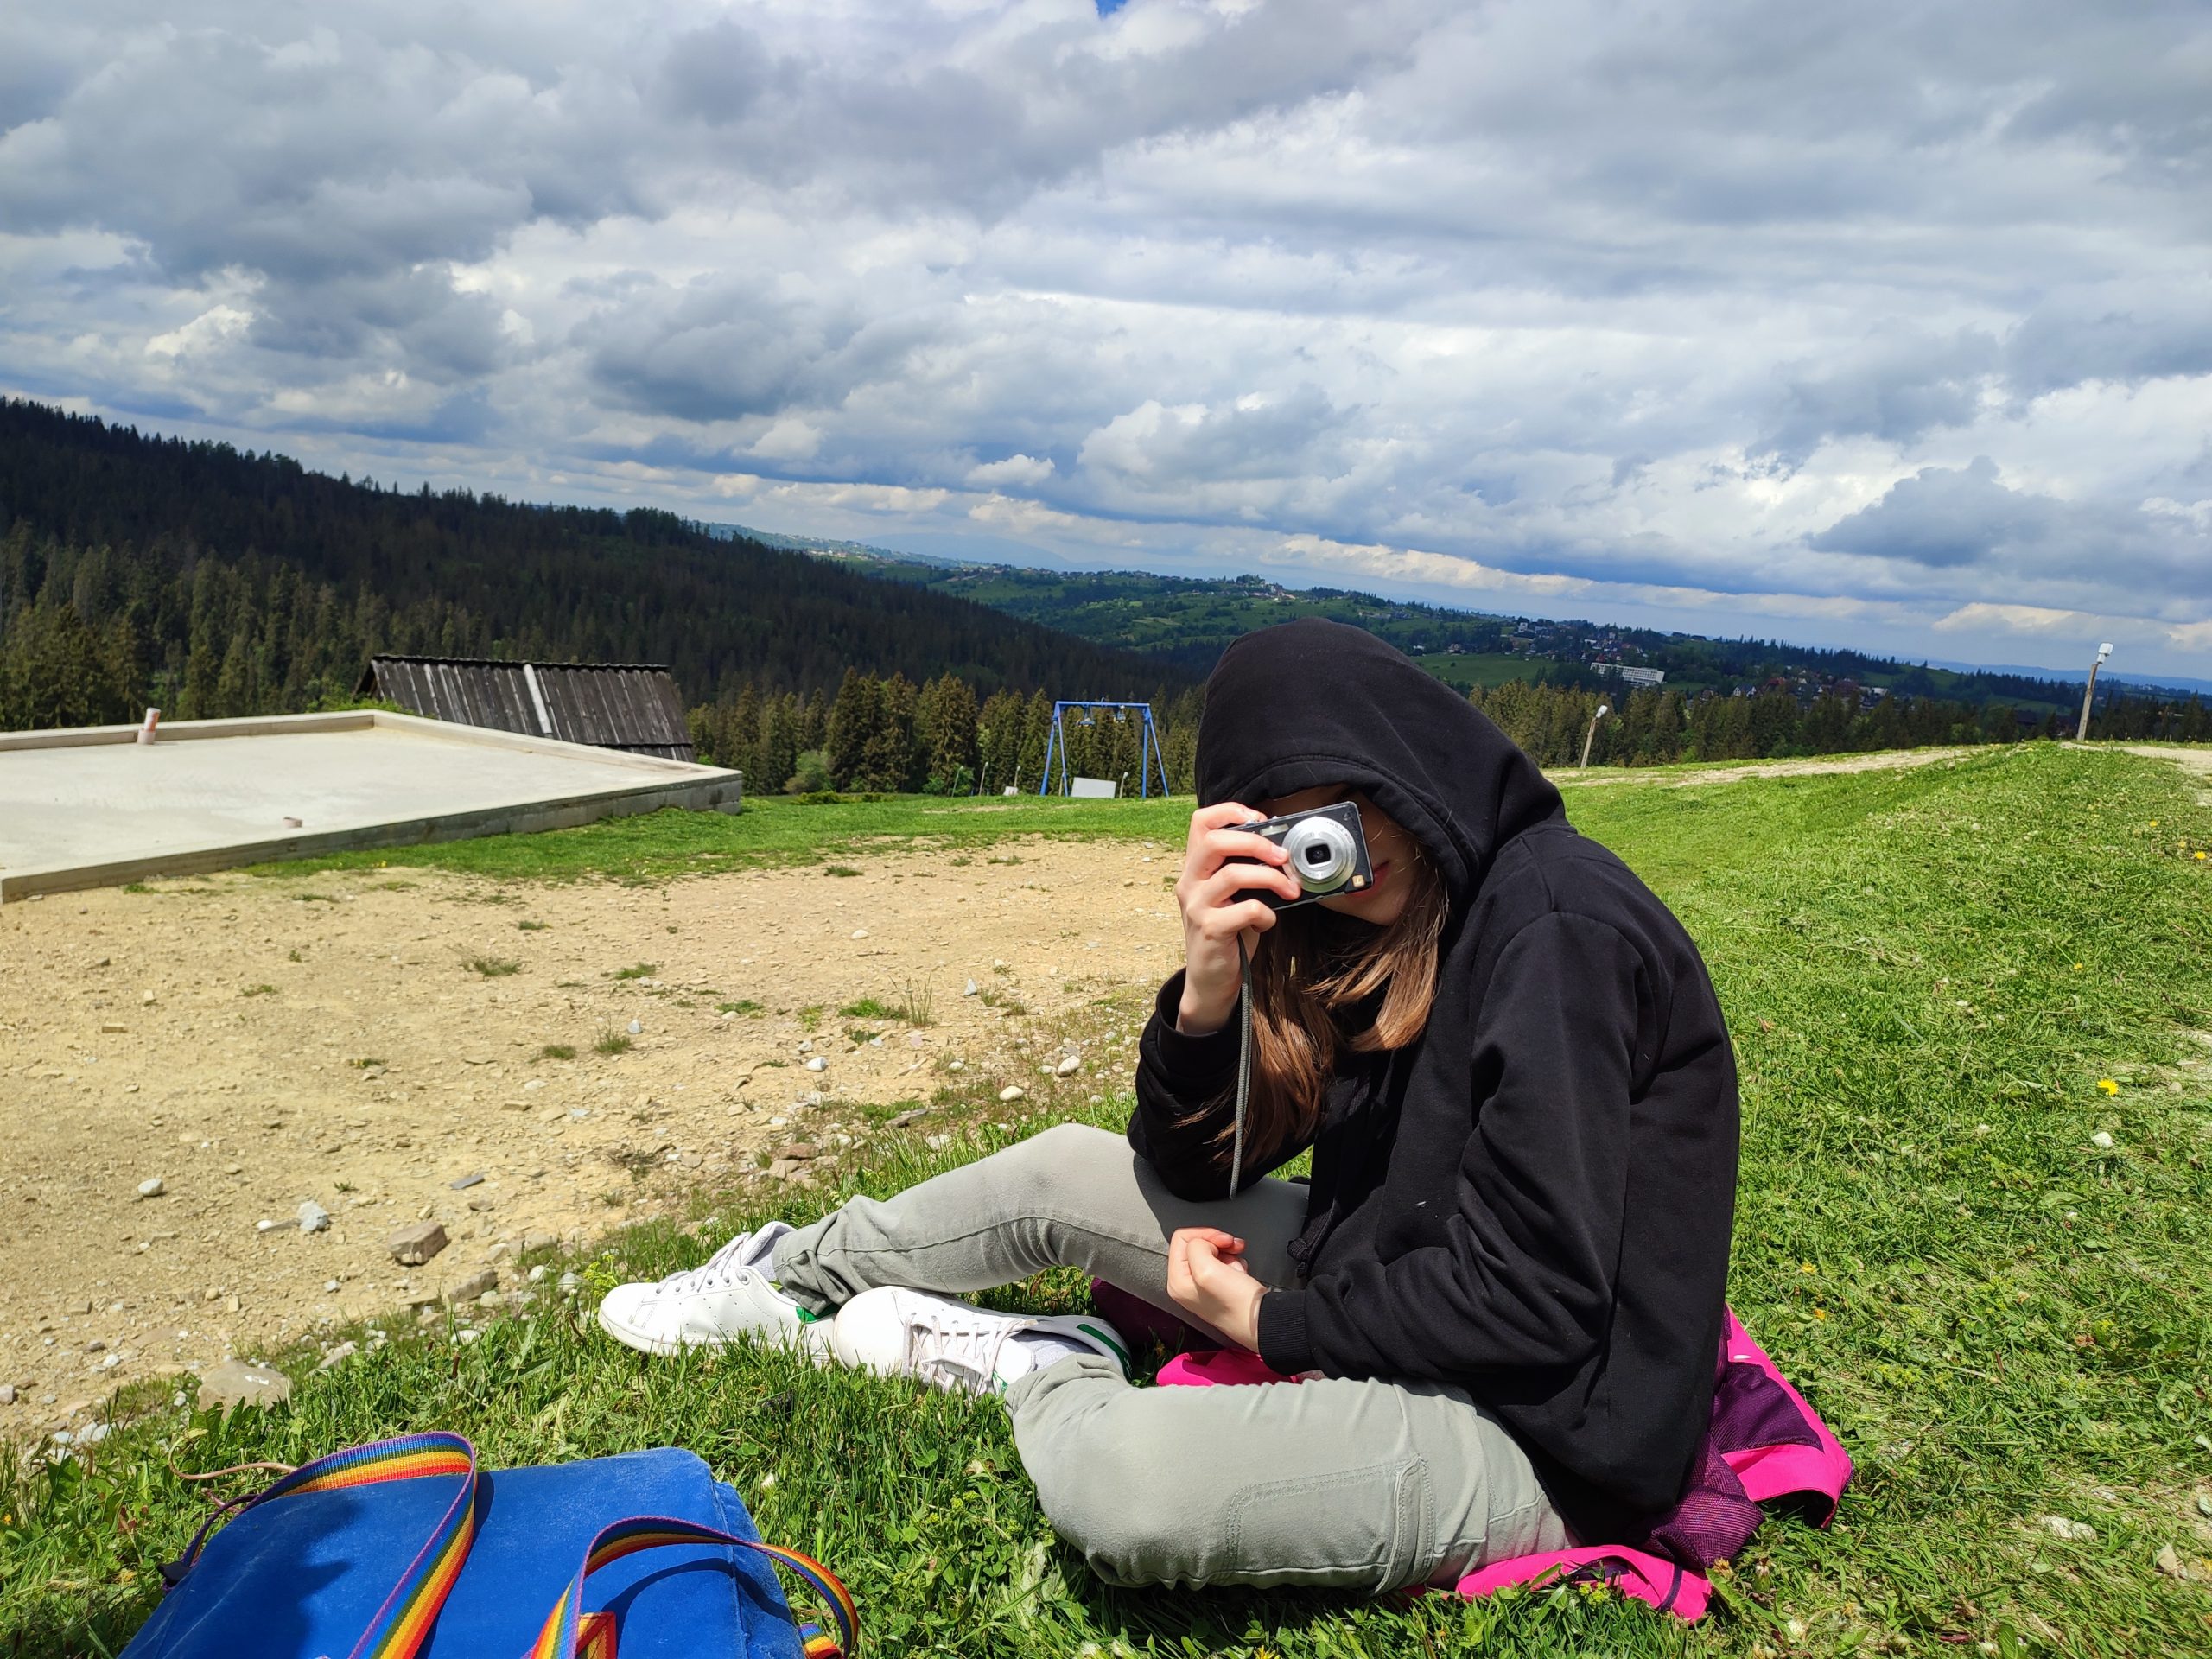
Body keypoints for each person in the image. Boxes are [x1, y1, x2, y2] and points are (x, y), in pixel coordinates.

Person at [596, 618, 1740, 1593]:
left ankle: (1045, 1367)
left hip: (1545, 1430)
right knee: (1061, 1164)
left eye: (1349, 803)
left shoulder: (1554, 931)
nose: (1338, 847)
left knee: (1129, 1485)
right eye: (1289, 827)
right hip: (1399, 1278)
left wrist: (1272, 1326)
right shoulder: (1362, 925)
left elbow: (1536, 1299)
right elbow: (1191, 1166)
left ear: (1407, 760)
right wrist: (1209, 984)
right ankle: (794, 1272)